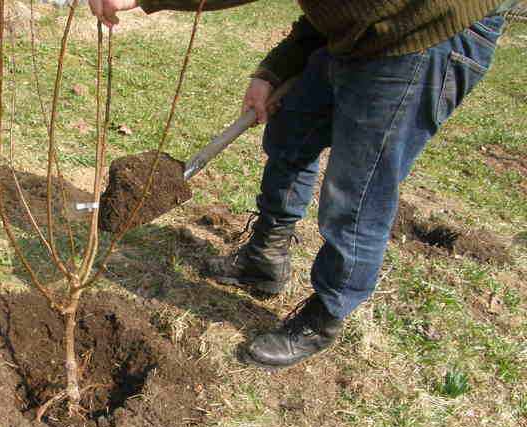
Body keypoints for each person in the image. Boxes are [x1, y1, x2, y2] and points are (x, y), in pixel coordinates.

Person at [88, 0, 516, 369]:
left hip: (423, 32)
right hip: (357, 25)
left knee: (356, 190)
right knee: (290, 135)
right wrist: (276, 69)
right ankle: (265, 257)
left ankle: (326, 315)